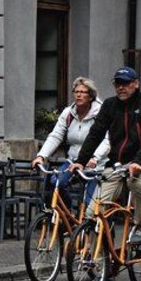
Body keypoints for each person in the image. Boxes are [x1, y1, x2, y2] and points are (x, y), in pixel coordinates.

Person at [70, 66, 141, 243]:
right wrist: (81, 161)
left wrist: (139, 161)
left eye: (125, 84)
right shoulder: (110, 105)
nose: (121, 87)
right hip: (117, 164)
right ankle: (102, 257)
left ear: (135, 84)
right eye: (118, 83)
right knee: (93, 213)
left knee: (135, 181)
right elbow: (95, 134)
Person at [31, 77, 110, 211]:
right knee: (56, 182)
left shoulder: (101, 113)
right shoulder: (68, 113)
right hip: (73, 160)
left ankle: (89, 226)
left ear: (91, 96)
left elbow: (107, 139)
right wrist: (41, 156)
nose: (79, 95)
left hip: (96, 164)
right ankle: (69, 216)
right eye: (76, 91)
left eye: (83, 92)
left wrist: (95, 158)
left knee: (90, 206)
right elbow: (55, 136)